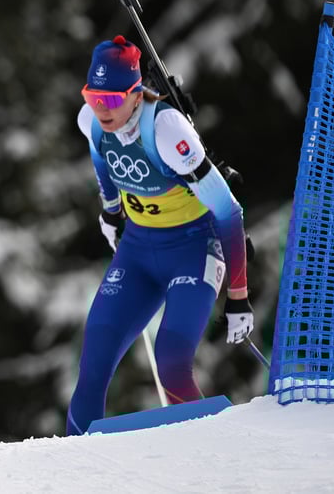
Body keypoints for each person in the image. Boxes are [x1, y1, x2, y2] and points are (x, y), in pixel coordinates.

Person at [66, 35, 252, 435]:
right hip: (137, 252)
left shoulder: (166, 129)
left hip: (194, 248)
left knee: (171, 364)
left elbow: (228, 210)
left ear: (136, 94)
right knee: (93, 364)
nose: (102, 110)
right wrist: (111, 211)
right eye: (94, 97)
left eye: (112, 100)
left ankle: (219, 461)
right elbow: (104, 164)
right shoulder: (91, 122)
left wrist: (238, 297)